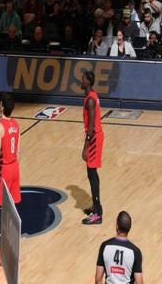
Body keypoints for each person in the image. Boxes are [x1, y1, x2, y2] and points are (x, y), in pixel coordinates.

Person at [0, 93, 21, 268]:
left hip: (5, 170)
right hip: (15, 167)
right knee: (11, 209)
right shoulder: (16, 124)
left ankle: (2, 252)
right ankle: (14, 247)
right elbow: (19, 151)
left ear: (1, 107)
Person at [81, 70, 105, 225]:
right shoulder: (92, 95)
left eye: (83, 79)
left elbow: (90, 127)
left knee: (92, 174)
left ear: (88, 82)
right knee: (92, 174)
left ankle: (97, 214)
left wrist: (85, 147)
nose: (81, 82)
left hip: (94, 138)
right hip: (95, 136)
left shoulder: (90, 100)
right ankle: (96, 206)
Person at [95, 211, 144, 284]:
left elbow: (98, 280)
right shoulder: (135, 252)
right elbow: (139, 282)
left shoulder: (104, 246)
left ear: (117, 226)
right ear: (129, 228)